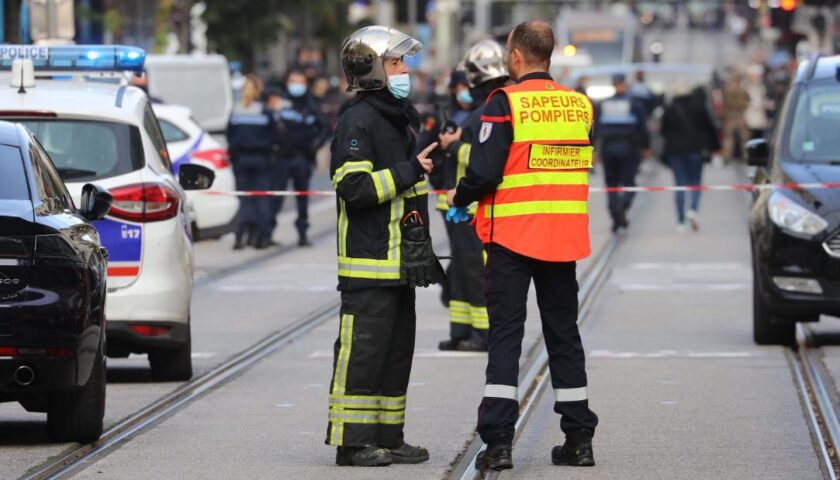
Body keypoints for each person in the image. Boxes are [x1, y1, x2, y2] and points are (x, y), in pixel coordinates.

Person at [447, 20, 598, 472]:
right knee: (564, 336)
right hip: (563, 238)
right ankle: (579, 439)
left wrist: (461, 196)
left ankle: (498, 444)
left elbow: (486, 170)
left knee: (507, 339)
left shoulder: (503, 103)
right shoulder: (579, 105)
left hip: (513, 239)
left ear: (515, 56)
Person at [326, 25, 444, 467]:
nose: (404, 70)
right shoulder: (359, 121)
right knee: (363, 356)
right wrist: (409, 171)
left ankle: (389, 436)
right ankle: (353, 442)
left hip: (399, 261)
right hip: (369, 263)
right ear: (372, 69)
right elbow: (353, 188)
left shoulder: (394, 117)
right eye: (396, 62)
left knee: (395, 355)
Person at [436, 40, 510, 352]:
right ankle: (461, 329)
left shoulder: (488, 109)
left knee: (475, 271)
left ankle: (482, 334)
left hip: (472, 205)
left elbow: (487, 159)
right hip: (457, 204)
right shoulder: (480, 109)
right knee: (462, 270)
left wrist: (453, 147)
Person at [269, 68, 331, 246]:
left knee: (302, 198)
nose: (296, 85)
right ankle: (267, 233)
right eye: (292, 81)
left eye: (299, 81)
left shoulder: (310, 105)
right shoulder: (280, 103)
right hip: (281, 157)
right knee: (276, 196)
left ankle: (303, 232)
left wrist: (315, 145)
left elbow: (325, 127)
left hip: (302, 157)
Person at [661, 82, 720, 232]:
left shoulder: (669, 109)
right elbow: (710, 128)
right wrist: (716, 147)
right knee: (695, 182)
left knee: (679, 184)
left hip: (675, 152)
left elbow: (663, 131)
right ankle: (692, 209)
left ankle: (680, 221)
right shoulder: (699, 107)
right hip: (695, 150)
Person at [226, 75, 277, 250]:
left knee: (244, 199)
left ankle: (240, 235)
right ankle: (262, 236)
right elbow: (274, 137)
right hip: (261, 159)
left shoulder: (235, 111)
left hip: (241, 159)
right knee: (261, 198)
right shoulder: (264, 111)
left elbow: (230, 137)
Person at [594, 73, 649, 233]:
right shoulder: (635, 104)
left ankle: (615, 213)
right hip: (629, 148)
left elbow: (595, 128)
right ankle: (623, 206)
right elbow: (642, 129)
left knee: (611, 185)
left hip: (608, 149)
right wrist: (646, 148)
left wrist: (594, 149)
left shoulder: (603, 104)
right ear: (624, 84)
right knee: (630, 183)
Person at [721, 70, 749, 161]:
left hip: (736, 116)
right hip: (736, 116)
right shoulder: (740, 91)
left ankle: (742, 155)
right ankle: (729, 155)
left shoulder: (734, 91)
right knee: (732, 138)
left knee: (740, 137)